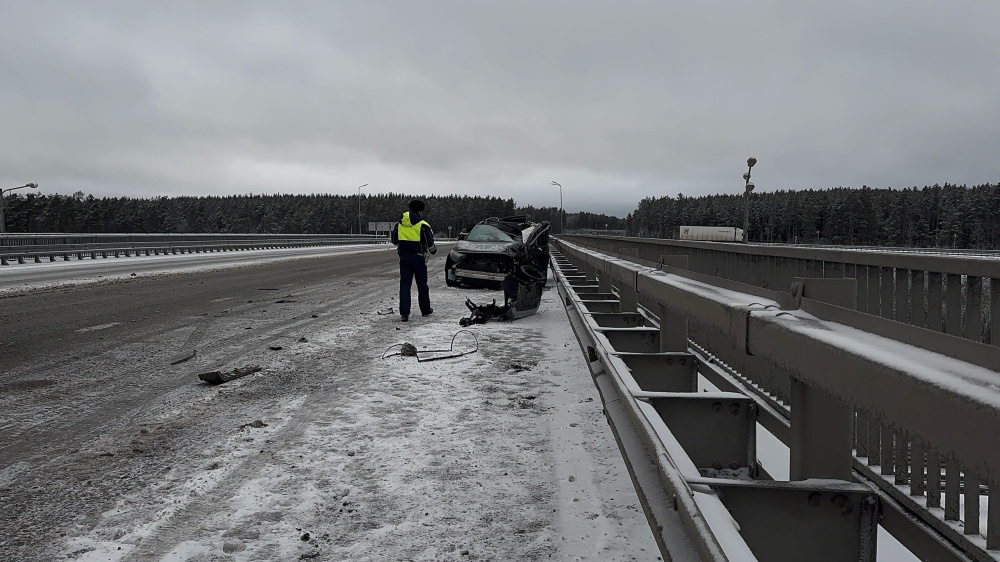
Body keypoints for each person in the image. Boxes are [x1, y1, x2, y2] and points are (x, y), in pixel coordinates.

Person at [390, 199, 437, 321]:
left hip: (404, 258)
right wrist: (433, 250)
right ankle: (425, 310)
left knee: (405, 286)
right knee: (422, 285)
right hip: (419, 258)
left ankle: (404, 314)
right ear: (420, 211)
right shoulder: (423, 225)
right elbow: (430, 244)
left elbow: (394, 240)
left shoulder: (399, 224)